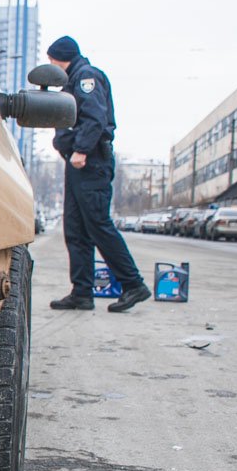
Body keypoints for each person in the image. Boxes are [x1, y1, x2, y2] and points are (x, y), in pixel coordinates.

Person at [45, 36, 151, 313]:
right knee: (76, 229)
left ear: (59, 58)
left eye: (51, 60)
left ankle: (133, 284)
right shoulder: (72, 80)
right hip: (78, 162)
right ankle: (82, 292)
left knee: (98, 225)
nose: (50, 65)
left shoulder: (85, 77)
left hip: (90, 162)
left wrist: (80, 149)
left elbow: (95, 117)